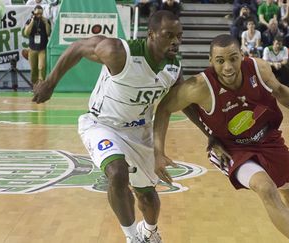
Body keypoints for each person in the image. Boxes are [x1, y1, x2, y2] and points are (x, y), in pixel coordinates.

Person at [153, 34, 289, 243]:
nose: (228, 67)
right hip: (230, 148)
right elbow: (163, 108)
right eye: (220, 61)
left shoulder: (259, 69)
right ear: (210, 61)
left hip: (267, 137)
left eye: (233, 58)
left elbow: (280, 91)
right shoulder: (199, 86)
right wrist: (158, 152)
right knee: (265, 187)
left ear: (242, 55)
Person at [32, 10, 183, 243]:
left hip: (139, 132)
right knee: (117, 172)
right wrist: (50, 83)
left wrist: (210, 136)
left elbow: (172, 108)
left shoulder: (174, 69)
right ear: (151, 34)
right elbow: (79, 47)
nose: (175, 40)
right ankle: (132, 237)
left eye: (179, 36)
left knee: (147, 196)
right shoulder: (119, 52)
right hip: (102, 124)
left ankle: (149, 231)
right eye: (168, 34)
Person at [23, 5, 51, 86]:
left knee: (41, 67)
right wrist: (32, 21)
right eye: (37, 13)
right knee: (33, 69)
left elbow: (48, 33)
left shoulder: (46, 21)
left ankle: (41, 84)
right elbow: (26, 33)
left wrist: (46, 23)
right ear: (34, 13)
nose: (39, 15)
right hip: (32, 48)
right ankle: (34, 85)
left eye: (40, 13)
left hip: (42, 48)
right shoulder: (29, 21)